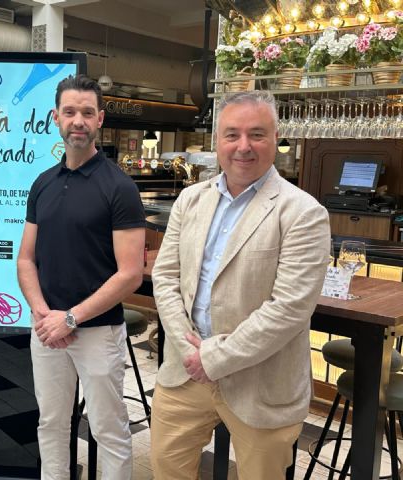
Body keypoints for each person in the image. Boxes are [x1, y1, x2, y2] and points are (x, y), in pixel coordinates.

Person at [150, 90, 330, 480]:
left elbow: (289, 309)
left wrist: (213, 358)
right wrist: (190, 350)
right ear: (217, 140)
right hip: (185, 372)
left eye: (257, 134)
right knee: (166, 469)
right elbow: (165, 278)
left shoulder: (303, 212)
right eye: (232, 134)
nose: (243, 146)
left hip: (261, 383)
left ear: (276, 139)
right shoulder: (190, 200)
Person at [17, 74, 146, 479]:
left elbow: (130, 274)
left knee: (109, 430)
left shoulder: (119, 187)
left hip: (97, 332)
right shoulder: (42, 183)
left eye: (87, 113)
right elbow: (25, 259)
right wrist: (44, 314)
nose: (78, 121)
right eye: (70, 112)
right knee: (51, 423)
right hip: (47, 330)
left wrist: (70, 318)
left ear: (100, 119)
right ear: (55, 117)